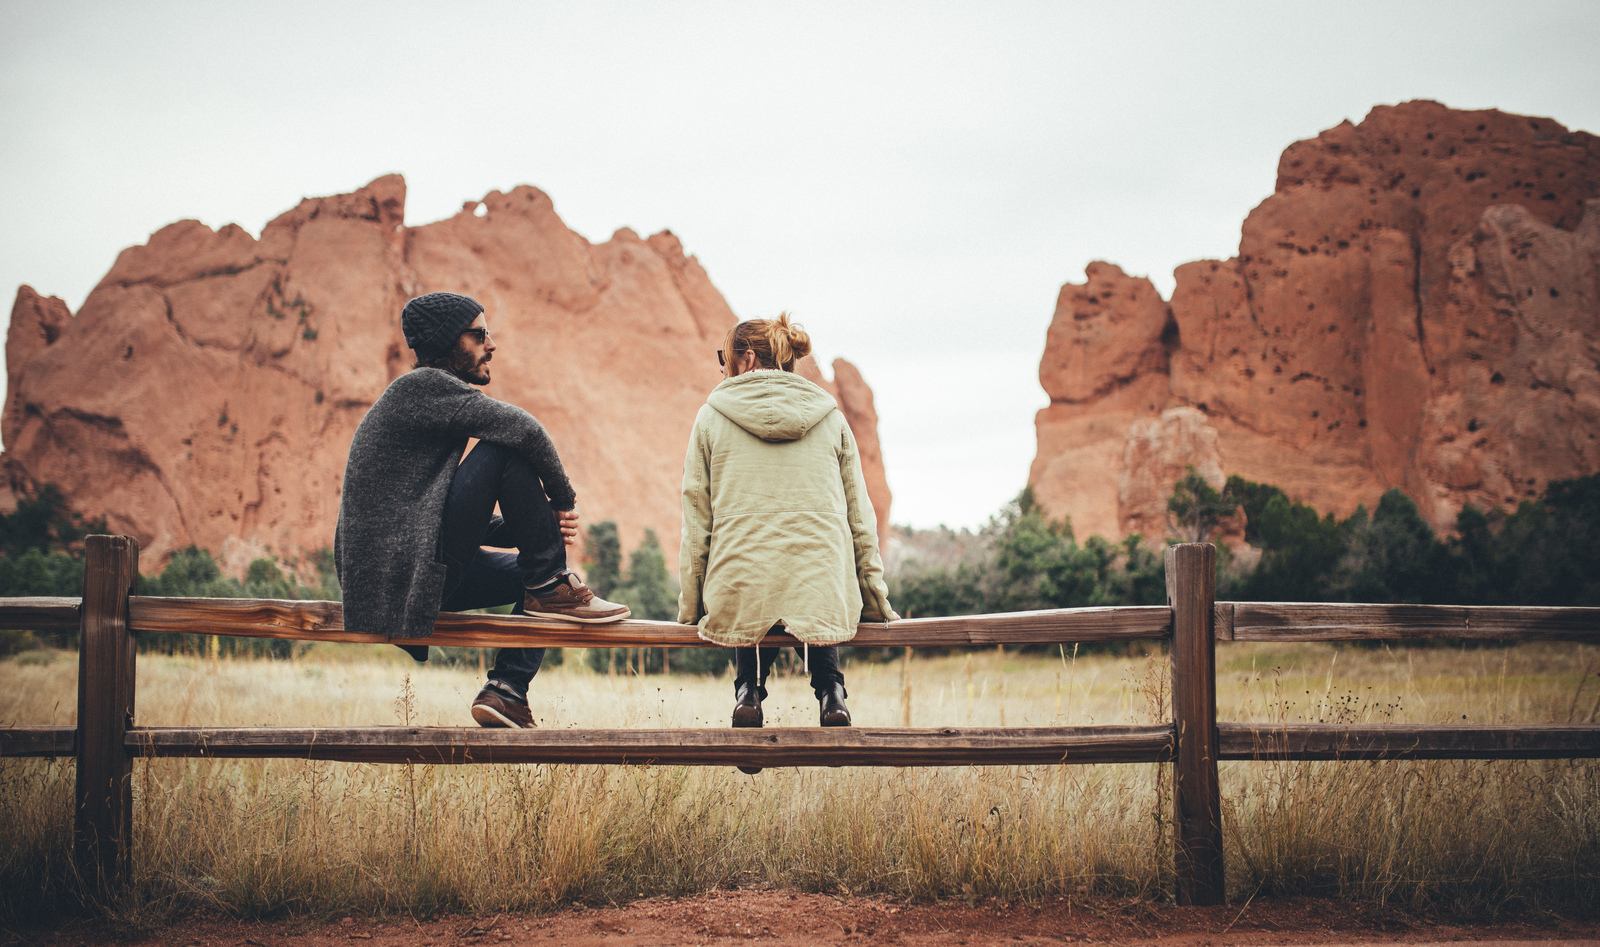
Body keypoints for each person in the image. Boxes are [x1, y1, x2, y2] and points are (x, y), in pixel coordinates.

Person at [334, 291, 629, 730]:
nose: (491, 344)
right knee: (505, 447)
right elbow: (526, 430)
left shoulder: (424, 401)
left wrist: (533, 525)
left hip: (407, 572)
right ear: (447, 341)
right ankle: (551, 585)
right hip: (401, 579)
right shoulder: (421, 387)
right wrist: (563, 501)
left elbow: (426, 516)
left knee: (531, 574)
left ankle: (506, 690)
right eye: (478, 335)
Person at [677, 314, 898, 735]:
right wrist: (874, 598)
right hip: (821, 583)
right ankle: (832, 692)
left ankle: (748, 691)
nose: (723, 367)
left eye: (724, 357)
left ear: (746, 358)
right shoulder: (831, 418)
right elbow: (859, 517)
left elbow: (696, 519)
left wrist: (691, 608)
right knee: (809, 574)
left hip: (742, 584)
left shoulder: (710, 418)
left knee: (752, 573)